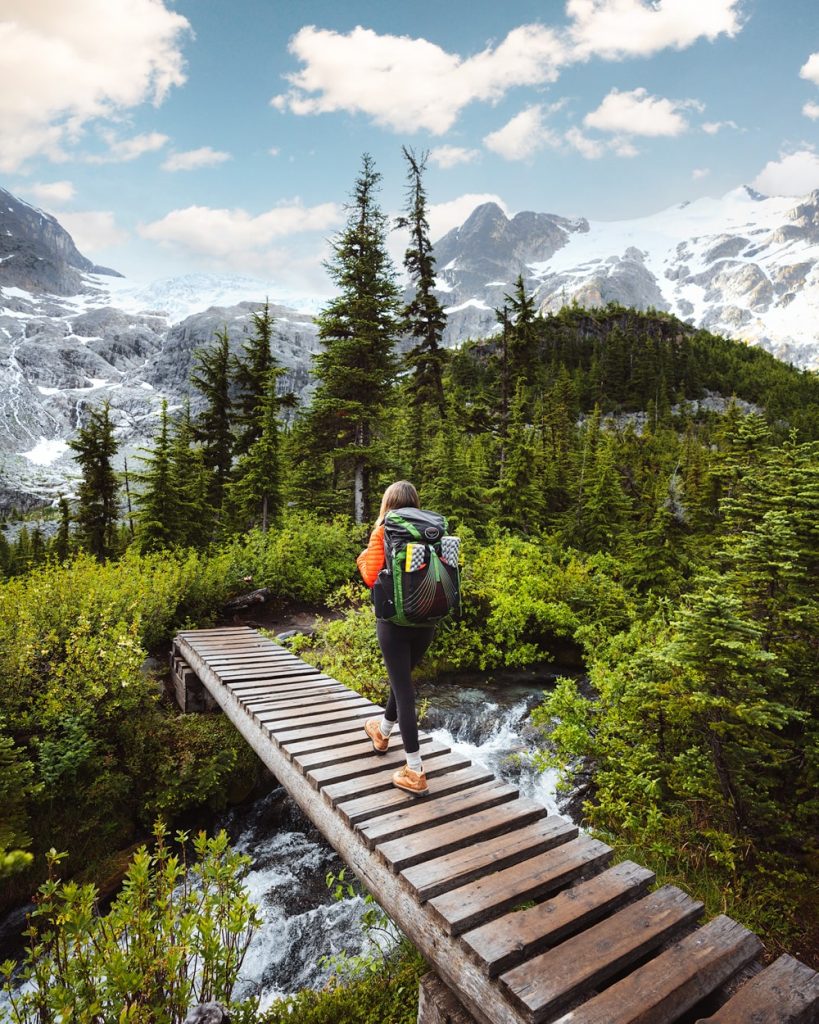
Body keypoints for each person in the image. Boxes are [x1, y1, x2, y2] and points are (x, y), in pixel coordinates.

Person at [356, 480, 435, 796]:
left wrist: (363, 556)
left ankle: (415, 770)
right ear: (415, 502)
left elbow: (370, 576)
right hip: (427, 619)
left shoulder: (384, 530)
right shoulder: (431, 531)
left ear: (388, 503)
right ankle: (382, 732)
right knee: (400, 680)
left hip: (393, 622)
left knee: (404, 690)